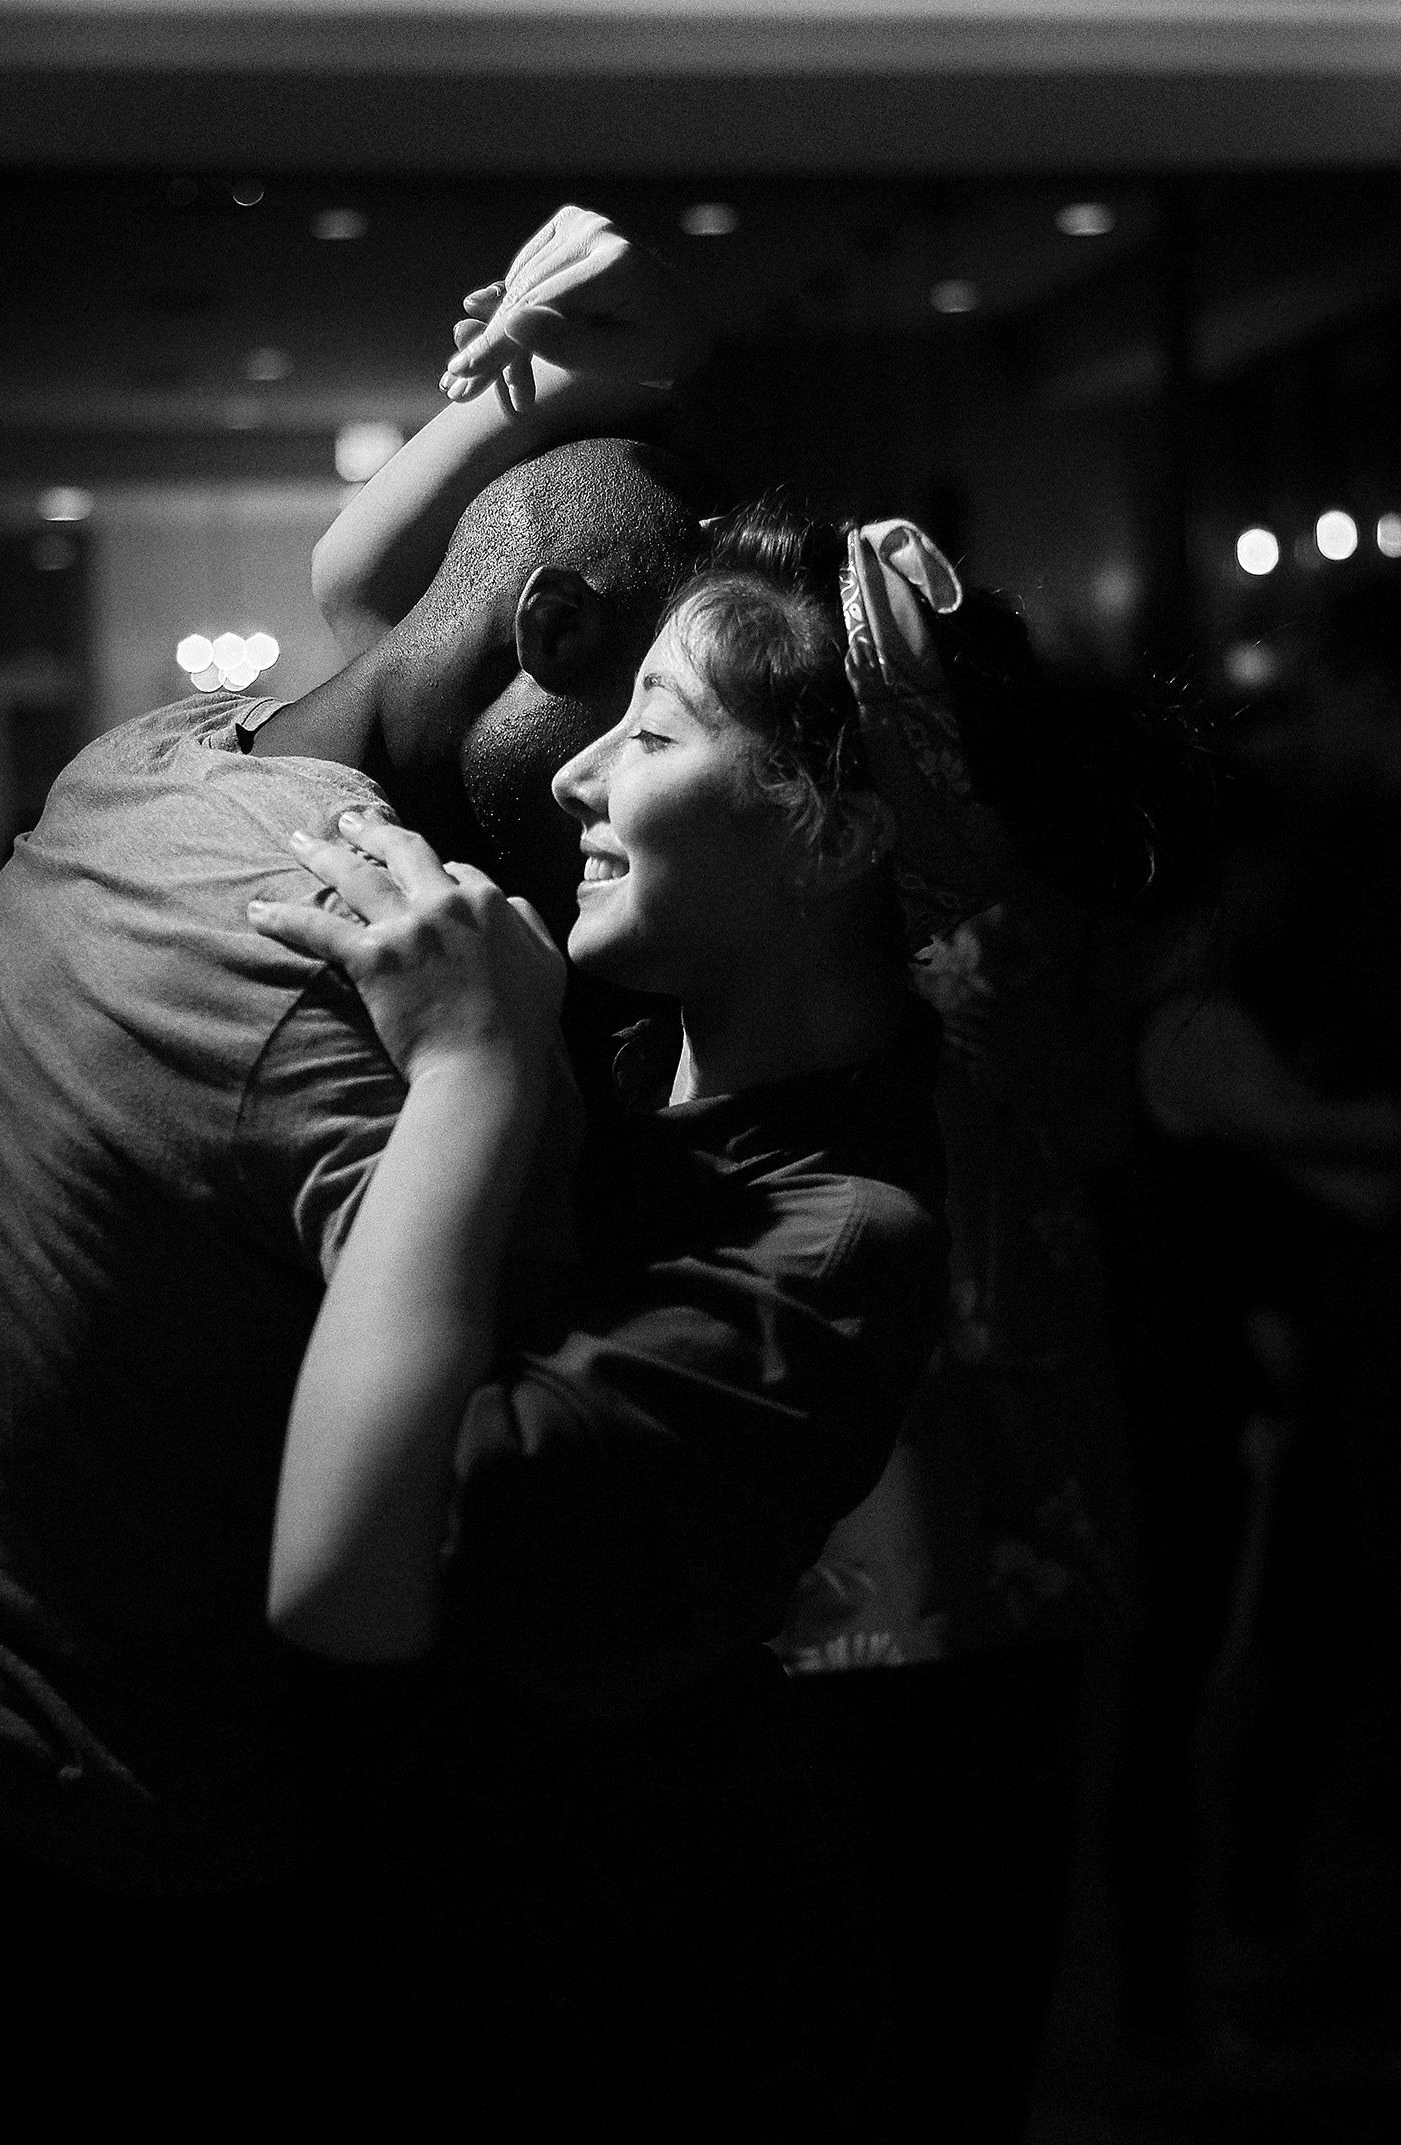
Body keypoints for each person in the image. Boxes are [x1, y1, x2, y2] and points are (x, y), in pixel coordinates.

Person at [0, 210, 706, 2144]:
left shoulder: (135, 761)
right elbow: (442, 1572)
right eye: (634, 727)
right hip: (118, 1878)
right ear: (561, 631)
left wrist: (512, 412)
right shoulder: (395, 1017)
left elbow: (386, 613)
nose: (605, 807)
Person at [246, 489, 1135, 2124]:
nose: (573, 769)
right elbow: (385, 619)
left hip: (668, 2018)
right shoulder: (618, 1032)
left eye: (648, 729)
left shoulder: (838, 1238)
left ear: (831, 832)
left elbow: (345, 1578)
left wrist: (461, 1070)